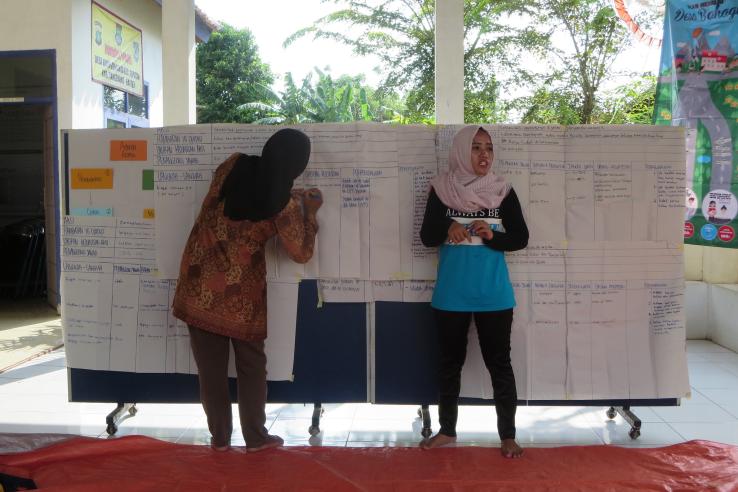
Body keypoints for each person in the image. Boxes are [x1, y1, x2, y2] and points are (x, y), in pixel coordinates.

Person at [172, 129, 323, 452]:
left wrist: (289, 195)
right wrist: (309, 213)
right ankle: (255, 437)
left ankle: (220, 440)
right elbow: (301, 252)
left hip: (198, 285)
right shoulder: (281, 206)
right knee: (251, 368)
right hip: (242, 298)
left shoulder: (232, 165)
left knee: (210, 372)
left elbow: (226, 198)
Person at [419, 125, 528, 458]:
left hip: (494, 296)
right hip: (451, 295)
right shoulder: (441, 189)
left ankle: (508, 435)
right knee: (450, 365)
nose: (484, 155)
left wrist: (495, 237)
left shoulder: (502, 190)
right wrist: (447, 226)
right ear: (461, 152)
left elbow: (521, 238)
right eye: (476, 148)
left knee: (500, 365)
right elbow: (426, 236)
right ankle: (447, 431)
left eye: (489, 149)